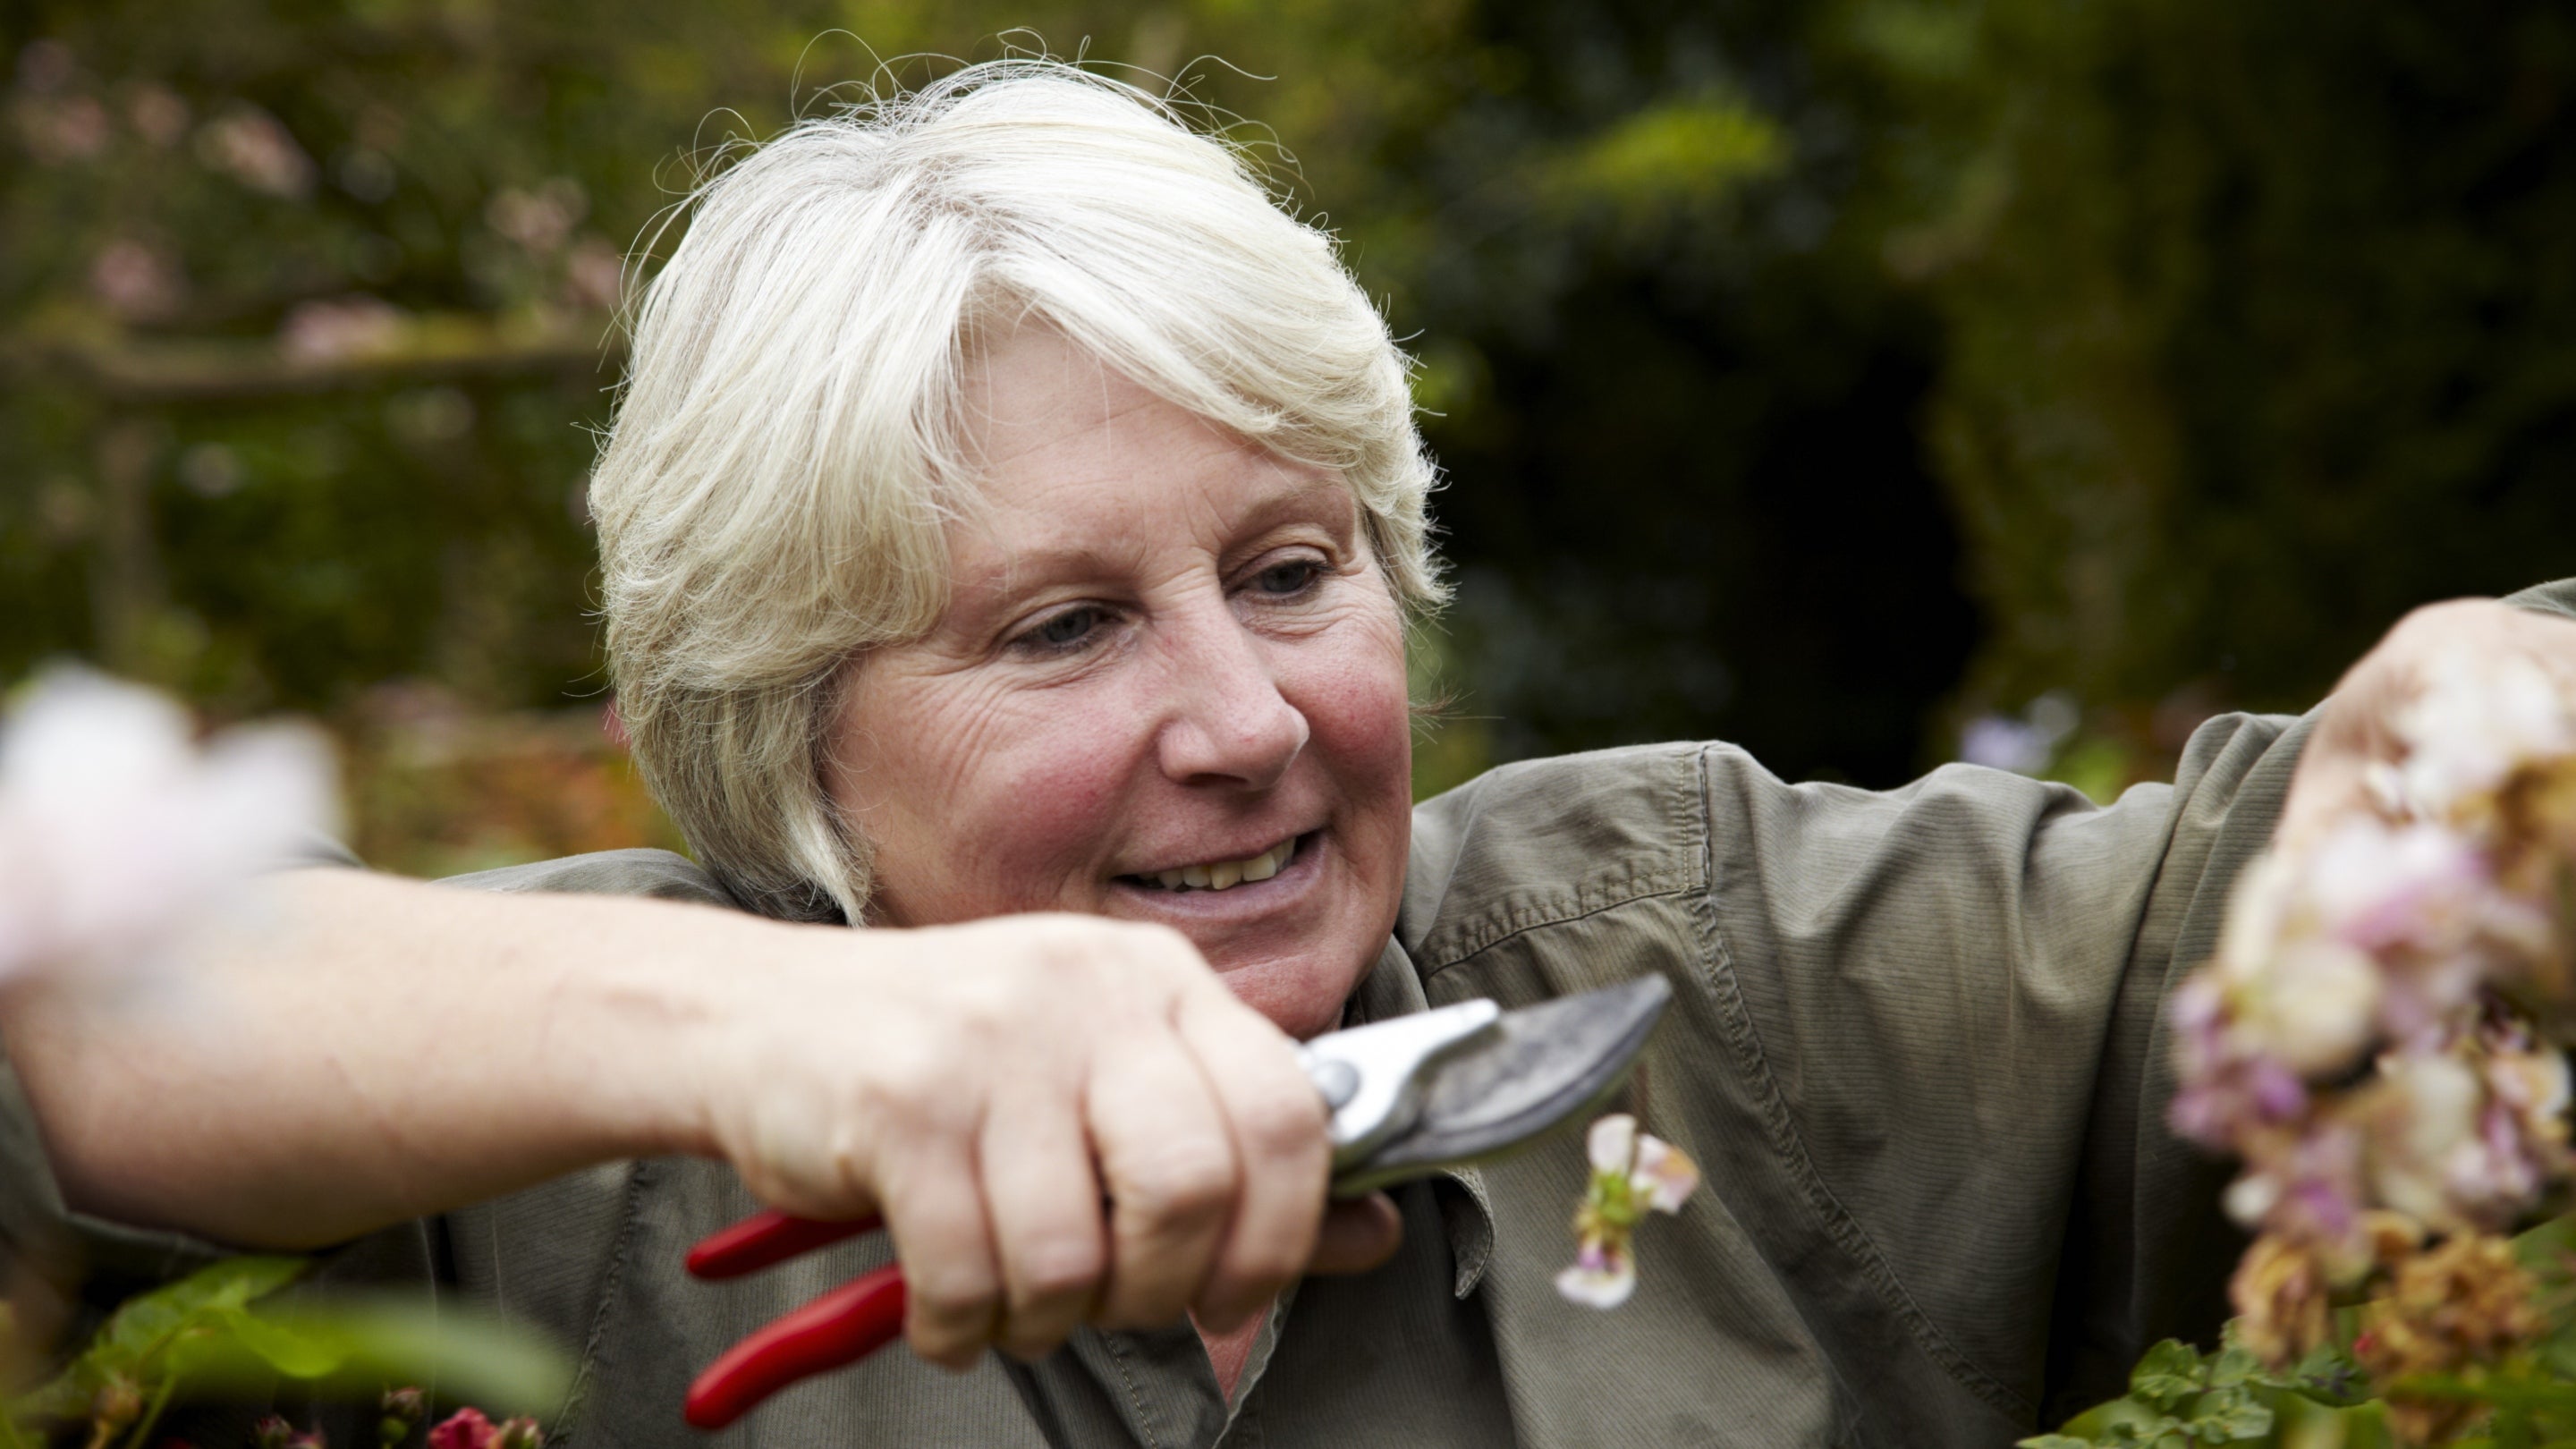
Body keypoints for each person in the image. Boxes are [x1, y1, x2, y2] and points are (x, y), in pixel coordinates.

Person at [4, 60, 2573, 1449]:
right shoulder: (558, 1148)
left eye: (1289, 569)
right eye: (1060, 628)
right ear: (789, 742)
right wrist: (790, 1036)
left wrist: (2481, 706)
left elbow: (2314, 877)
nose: (1244, 724)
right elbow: (67, 1013)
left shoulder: (1715, 978)